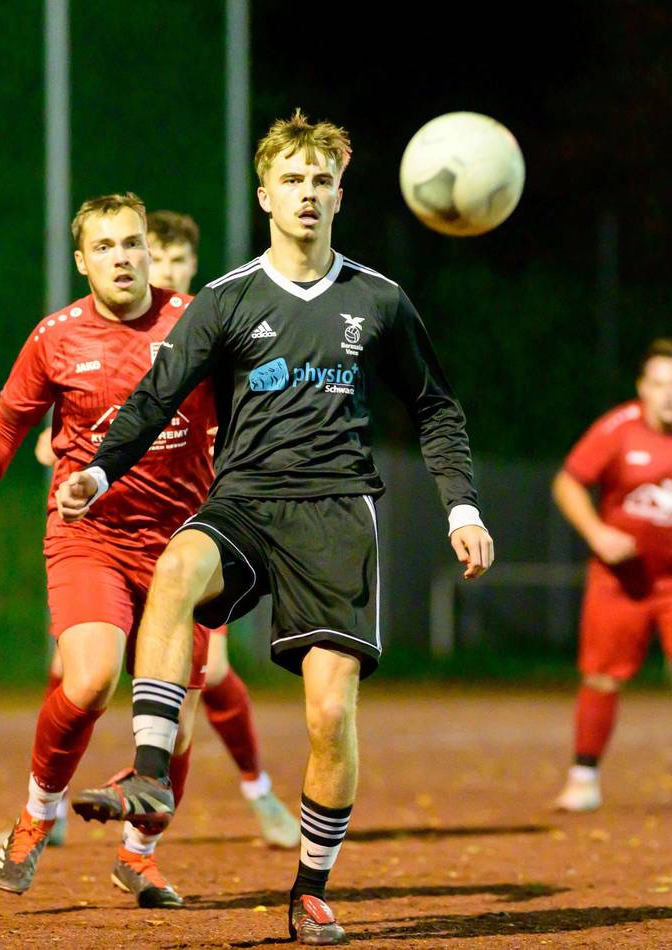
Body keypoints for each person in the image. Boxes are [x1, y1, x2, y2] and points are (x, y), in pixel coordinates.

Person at [56, 111, 495, 945]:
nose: (307, 194)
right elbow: (154, 398)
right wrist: (102, 469)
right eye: (291, 180)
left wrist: (461, 505)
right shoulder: (228, 299)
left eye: (320, 181)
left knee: (330, 717)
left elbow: (436, 406)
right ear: (265, 195)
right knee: (179, 566)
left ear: (339, 195)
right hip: (247, 500)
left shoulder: (380, 300)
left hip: (338, 513)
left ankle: (311, 889)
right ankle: (150, 773)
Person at [0, 192, 220, 909]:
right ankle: (38, 814)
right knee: (92, 678)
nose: (122, 257)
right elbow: (4, 428)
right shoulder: (56, 337)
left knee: (178, 724)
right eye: (105, 247)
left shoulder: (196, 322)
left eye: (131, 243)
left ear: (147, 250)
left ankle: (141, 856)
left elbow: (241, 418)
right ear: (81, 261)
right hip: (89, 536)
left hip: (181, 548)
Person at [34, 209, 299, 850]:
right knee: (79, 669)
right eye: (160, 258)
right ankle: (52, 798)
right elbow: (56, 441)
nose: (168, 271)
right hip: (102, 531)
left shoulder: (201, 337)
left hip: (188, 534)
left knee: (205, 680)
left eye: (179, 263)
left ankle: (249, 792)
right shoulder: (93, 341)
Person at [552, 338, 672, 812]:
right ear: (643, 387)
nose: (669, 394)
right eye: (660, 384)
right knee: (601, 677)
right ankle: (584, 778)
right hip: (620, 581)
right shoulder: (619, 428)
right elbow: (568, 482)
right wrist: (597, 533)